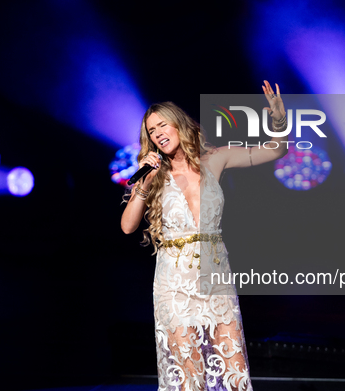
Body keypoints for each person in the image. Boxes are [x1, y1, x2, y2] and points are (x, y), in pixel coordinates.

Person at [121, 81, 288, 391]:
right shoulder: (154, 174)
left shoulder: (215, 159)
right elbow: (127, 226)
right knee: (189, 374)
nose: (157, 133)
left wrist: (278, 119)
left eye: (162, 125)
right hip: (174, 282)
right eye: (151, 131)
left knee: (233, 368)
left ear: (178, 124)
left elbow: (276, 150)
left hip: (215, 273)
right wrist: (144, 182)